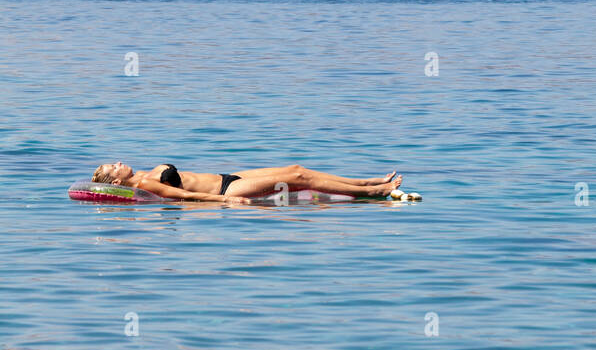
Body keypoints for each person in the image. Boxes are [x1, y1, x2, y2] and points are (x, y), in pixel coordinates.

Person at [91, 160, 405, 203]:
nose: (119, 163)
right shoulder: (144, 185)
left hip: (228, 175)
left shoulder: (144, 171)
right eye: (112, 166)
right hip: (227, 189)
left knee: (296, 168)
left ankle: (364, 181)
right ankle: (375, 192)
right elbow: (185, 197)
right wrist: (227, 200)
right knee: (298, 179)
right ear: (112, 178)